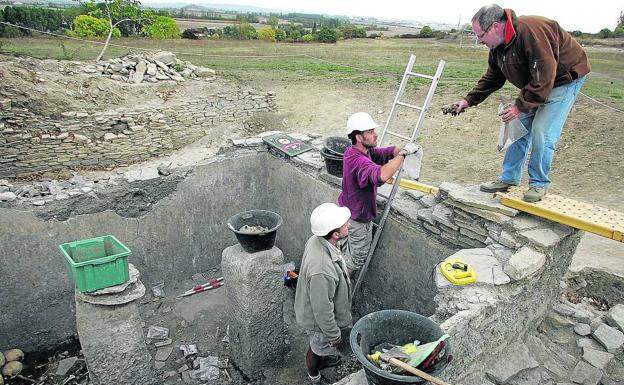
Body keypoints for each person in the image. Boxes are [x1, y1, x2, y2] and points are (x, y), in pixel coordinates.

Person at [447, 4, 590, 202]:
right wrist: (467, 100)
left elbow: (545, 77)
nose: (479, 41)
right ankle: (509, 179)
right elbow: (493, 77)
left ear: (495, 26)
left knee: (542, 130)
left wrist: (520, 106)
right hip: (538, 82)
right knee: (518, 126)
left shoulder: (531, 32)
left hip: (563, 79)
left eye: (480, 35)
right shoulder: (498, 46)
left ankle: (539, 184)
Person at [338, 112, 419, 275]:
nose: (376, 135)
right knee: (356, 258)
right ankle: (341, 287)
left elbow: (382, 153)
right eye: (370, 132)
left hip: (348, 213)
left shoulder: (357, 151)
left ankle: (339, 276)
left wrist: (402, 149)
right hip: (357, 220)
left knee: (346, 251)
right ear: (359, 137)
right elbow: (381, 175)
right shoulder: (358, 161)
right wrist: (403, 155)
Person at [294, 202, 352, 383]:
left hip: (317, 313)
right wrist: (334, 335)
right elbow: (322, 310)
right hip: (318, 322)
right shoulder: (322, 269)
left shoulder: (317, 240)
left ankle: (326, 357)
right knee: (316, 348)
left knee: (321, 347)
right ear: (335, 234)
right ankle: (313, 375)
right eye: (345, 224)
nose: (348, 225)